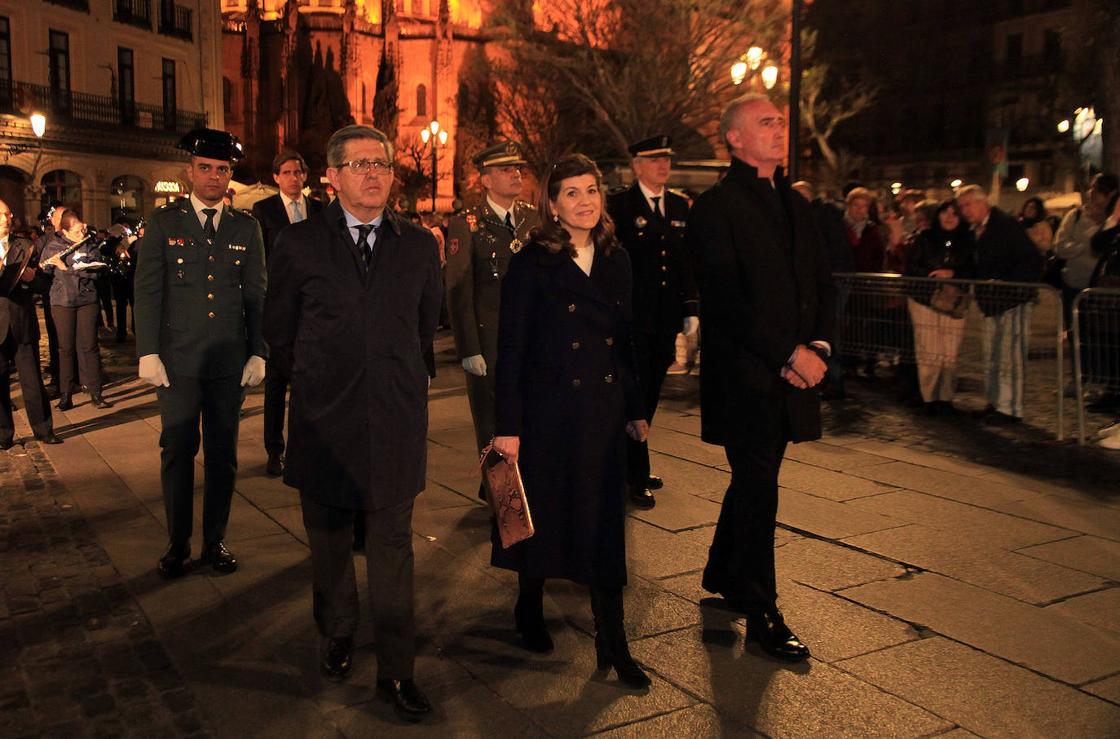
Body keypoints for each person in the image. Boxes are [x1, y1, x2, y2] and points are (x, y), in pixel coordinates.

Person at [264, 125, 442, 721]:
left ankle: (397, 671)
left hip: (394, 420)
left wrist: (394, 378)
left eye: (384, 164)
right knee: (331, 543)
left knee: (393, 547)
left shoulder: (418, 246)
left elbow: (424, 331)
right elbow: (280, 331)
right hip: (323, 421)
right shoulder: (298, 243)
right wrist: (321, 379)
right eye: (361, 164)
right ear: (332, 176)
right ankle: (338, 630)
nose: (375, 174)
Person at [491, 153, 652, 689]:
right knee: (544, 514)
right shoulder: (531, 262)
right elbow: (511, 348)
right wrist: (508, 425)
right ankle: (529, 606)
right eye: (572, 194)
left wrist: (635, 411)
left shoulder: (617, 259)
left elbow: (625, 342)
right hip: (547, 411)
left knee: (606, 527)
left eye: (591, 191)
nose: (585, 202)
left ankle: (614, 641)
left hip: (602, 414)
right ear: (553, 206)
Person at [688, 94, 834, 662]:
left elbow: (821, 282)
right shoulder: (715, 208)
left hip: (794, 371)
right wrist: (787, 355)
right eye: (765, 123)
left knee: (759, 477)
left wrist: (818, 346)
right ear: (735, 139)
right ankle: (762, 608)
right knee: (759, 485)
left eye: (780, 121)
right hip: (746, 377)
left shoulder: (798, 206)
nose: (779, 129)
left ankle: (724, 570)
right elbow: (725, 301)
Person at [134, 128, 267, 579]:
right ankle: (177, 543)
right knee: (176, 450)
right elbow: (148, 293)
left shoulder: (246, 228)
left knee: (223, 455)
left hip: (228, 363)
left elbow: (257, 297)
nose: (214, 177)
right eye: (206, 168)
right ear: (190, 171)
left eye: (223, 170)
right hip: (178, 363)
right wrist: (148, 351)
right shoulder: (164, 224)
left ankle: (214, 541)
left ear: (231, 176)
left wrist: (258, 351)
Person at [607, 135, 699, 509]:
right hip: (633, 319)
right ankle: (634, 472)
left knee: (652, 393)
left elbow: (685, 261)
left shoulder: (678, 205)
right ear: (637, 165)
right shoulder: (620, 205)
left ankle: (631, 464)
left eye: (667, 159)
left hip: (665, 319)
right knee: (636, 395)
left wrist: (690, 308)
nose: (664, 165)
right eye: (656, 160)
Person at [445, 142, 538, 499]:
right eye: (505, 169)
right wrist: (469, 348)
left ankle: (520, 490)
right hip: (490, 343)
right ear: (485, 178)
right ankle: (504, 503)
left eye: (518, 168)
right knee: (493, 426)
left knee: (528, 420)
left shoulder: (532, 218)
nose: (516, 174)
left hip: (530, 342)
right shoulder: (467, 223)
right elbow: (458, 290)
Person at [251, 150, 324, 477]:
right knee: (276, 384)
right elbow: (261, 257)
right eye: (287, 173)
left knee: (309, 382)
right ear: (276, 177)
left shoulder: (319, 210)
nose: (294, 178)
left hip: (313, 307)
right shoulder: (263, 210)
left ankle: (306, 446)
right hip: (279, 305)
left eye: (298, 172)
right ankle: (273, 450)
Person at [957, 184, 1043, 424]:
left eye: (968, 205)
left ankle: (1010, 408)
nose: (965, 211)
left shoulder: (1005, 225)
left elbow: (1032, 259)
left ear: (982, 202)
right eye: (962, 206)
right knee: (993, 355)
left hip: (1011, 300)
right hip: (992, 301)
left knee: (1010, 357)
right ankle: (995, 402)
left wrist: (1007, 283)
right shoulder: (976, 229)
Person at [0, 198, 62, 449]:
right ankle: (4, 434)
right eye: (1, 214)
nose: (6, 219)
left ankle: (43, 429)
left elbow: (45, 284)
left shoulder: (25, 245)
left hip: (21, 320)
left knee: (32, 379)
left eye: (8, 214)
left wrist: (32, 278)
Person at [903, 200, 975, 411]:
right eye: (945, 212)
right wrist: (932, 274)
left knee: (950, 351)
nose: (949, 217)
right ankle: (929, 396)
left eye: (955, 213)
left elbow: (973, 268)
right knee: (929, 349)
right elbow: (912, 267)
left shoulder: (968, 240)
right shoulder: (925, 238)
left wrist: (953, 274)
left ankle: (945, 397)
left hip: (954, 301)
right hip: (925, 299)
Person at [39, 209, 113, 411]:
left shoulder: (89, 245)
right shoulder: (53, 246)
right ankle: (66, 394)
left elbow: (96, 273)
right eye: (77, 231)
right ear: (65, 231)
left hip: (87, 299)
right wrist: (47, 265)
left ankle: (96, 393)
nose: (82, 234)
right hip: (62, 302)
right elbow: (44, 273)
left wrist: (67, 269)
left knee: (90, 346)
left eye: (83, 230)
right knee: (65, 349)